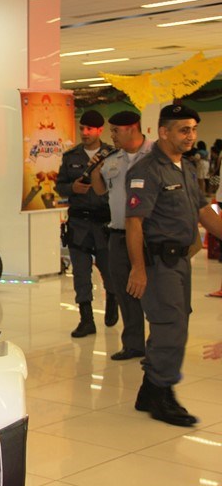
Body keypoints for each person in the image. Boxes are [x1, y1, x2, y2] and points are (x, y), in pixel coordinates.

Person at [125, 104, 222, 427]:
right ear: (163, 132)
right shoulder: (147, 170)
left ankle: (148, 390)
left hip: (181, 260)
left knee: (173, 323)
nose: (190, 135)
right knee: (171, 327)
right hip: (157, 262)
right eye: (183, 129)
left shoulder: (186, 167)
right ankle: (161, 393)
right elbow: (134, 223)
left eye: (193, 129)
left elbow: (202, 210)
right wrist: (138, 269)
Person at [89, 111, 153, 361]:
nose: (111, 136)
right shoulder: (112, 159)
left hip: (149, 235)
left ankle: (158, 345)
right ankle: (134, 344)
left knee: (154, 291)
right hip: (118, 234)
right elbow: (100, 190)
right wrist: (95, 170)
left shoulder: (155, 155)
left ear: (132, 128)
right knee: (124, 290)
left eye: (116, 131)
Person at [56, 110, 116, 337]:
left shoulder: (112, 155)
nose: (85, 132)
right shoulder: (71, 156)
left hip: (104, 222)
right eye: (82, 128)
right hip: (79, 222)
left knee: (108, 269)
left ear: (100, 130)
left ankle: (113, 298)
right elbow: (60, 185)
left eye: (89, 129)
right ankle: (86, 319)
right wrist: (72, 188)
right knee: (81, 273)